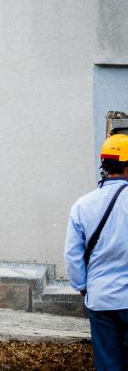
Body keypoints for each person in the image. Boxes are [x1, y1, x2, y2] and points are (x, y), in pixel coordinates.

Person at [66, 133, 128, 370]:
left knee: (108, 365)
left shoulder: (82, 205)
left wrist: (84, 287)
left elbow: (72, 256)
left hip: (101, 299)